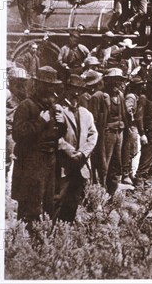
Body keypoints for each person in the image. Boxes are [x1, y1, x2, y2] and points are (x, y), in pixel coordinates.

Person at [11, 66, 63, 224]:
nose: (49, 89)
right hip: (31, 162)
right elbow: (18, 134)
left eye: (52, 86)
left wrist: (62, 124)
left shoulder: (52, 107)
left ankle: (42, 239)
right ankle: (26, 240)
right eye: (46, 85)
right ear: (37, 85)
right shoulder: (26, 106)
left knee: (48, 202)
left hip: (49, 160)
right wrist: (41, 121)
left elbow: (55, 135)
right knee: (30, 204)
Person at [54, 75, 98, 222]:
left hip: (80, 163)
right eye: (74, 89)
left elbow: (93, 135)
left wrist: (82, 153)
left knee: (73, 199)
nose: (77, 94)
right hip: (64, 163)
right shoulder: (58, 109)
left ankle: (67, 229)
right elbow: (56, 136)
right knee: (58, 198)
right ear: (67, 89)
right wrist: (71, 152)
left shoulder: (86, 113)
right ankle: (52, 233)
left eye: (80, 90)